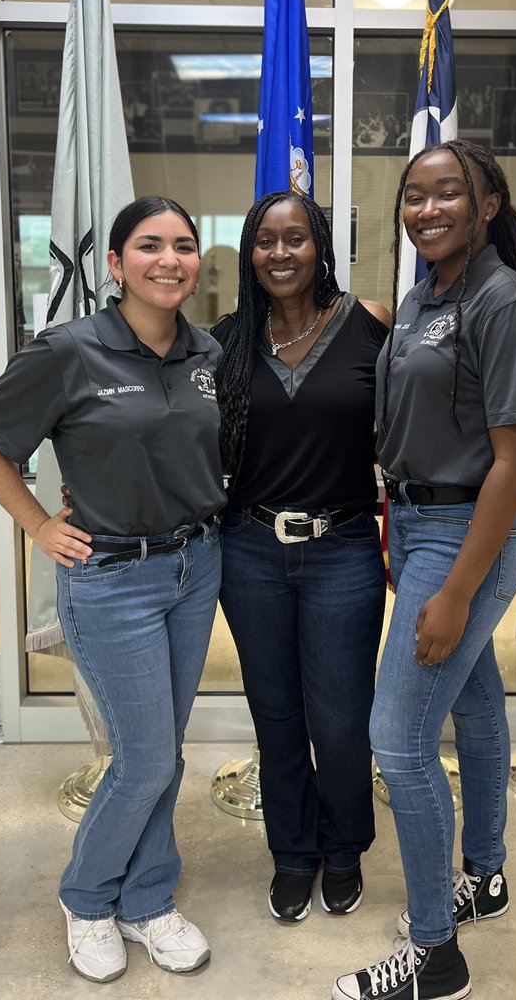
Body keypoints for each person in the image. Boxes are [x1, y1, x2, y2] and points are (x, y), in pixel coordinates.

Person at [0, 197, 225, 985]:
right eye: (149, 246)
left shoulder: (205, 352)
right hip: (111, 579)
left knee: (164, 755)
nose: (169, 259)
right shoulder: (70, 351)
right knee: (141, 761)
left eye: (183, 245)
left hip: (194, 567)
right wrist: (40, 524)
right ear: (115, 264)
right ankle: (87, 897)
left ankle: (147, 900)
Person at [333, 141, 516, 1000]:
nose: (427, 209)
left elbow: (514, 457)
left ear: (488, 204)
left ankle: (435, 955)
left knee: (400, 741)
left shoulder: (504, 300)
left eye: (448, 193)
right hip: (418, 518)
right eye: (413, 196)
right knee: (478, 701)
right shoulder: (428, 296)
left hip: (465, 532)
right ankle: (486, 879)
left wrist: (457, 589)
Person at [215, 190, 391, 924]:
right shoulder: (225, 339)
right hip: (249, 550)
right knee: (276, 713)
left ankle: (344, 845)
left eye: (295, 239)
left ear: (319, 246)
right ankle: (292, 852)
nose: (279, 253)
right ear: (249, 253)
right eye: (265, 241)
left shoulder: (370, 323)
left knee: (343, 718)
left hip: (344, 547)